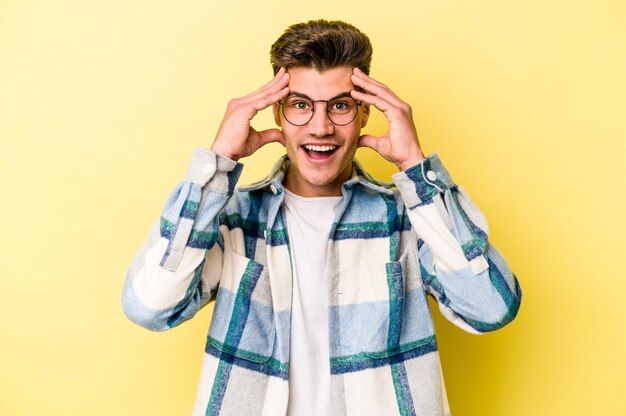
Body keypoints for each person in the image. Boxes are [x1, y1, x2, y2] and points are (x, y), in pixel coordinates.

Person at [122, 19, 521, 416]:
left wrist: (416, 169)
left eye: (340, 106)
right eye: (300, 105)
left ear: (365, 114)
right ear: (277, 114)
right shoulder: (233, 218)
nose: (320, 126)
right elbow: (150, 307)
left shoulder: (408, 219)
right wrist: (216, 168)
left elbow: (491, 308)